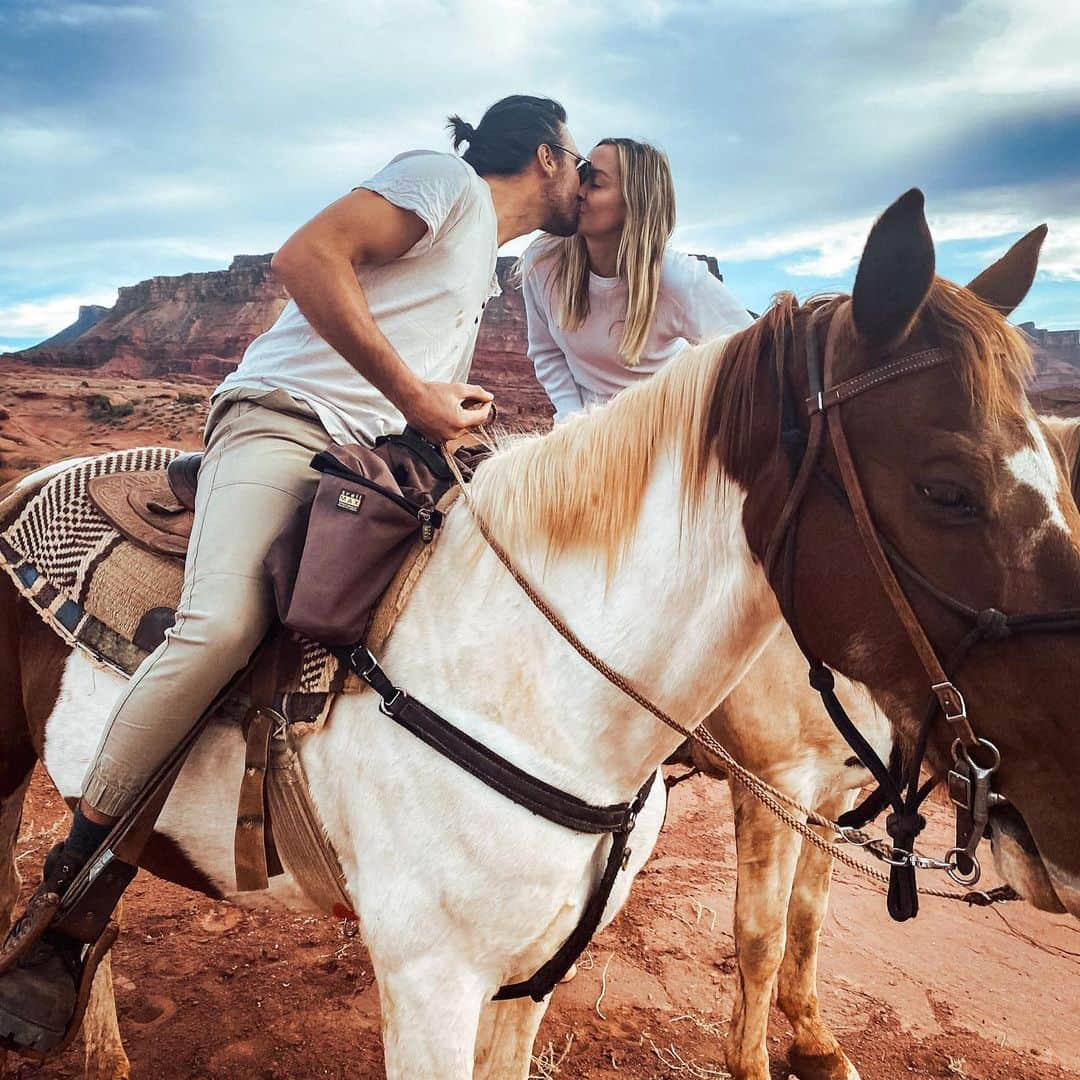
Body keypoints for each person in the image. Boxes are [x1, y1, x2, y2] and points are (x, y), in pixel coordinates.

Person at [0, 94, 589, 1055]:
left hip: (371, 454)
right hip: (286, 424)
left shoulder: (485, 258)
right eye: (579, 160)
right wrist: (412, 394)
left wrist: (439, 418)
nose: (583, 179)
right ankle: (69, 901)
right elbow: (304, 257)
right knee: (224, 625)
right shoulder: (443, 182)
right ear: (549, 156)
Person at [519, 137, 752, 424]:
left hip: (662, 432)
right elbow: (546, 352)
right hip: (582, 434)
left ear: (635, 203)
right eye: (582, 176)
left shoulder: (677, 279)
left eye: (596, 183)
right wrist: (573, 422)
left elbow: (754, 350)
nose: (578, 191)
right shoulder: (542, 262)